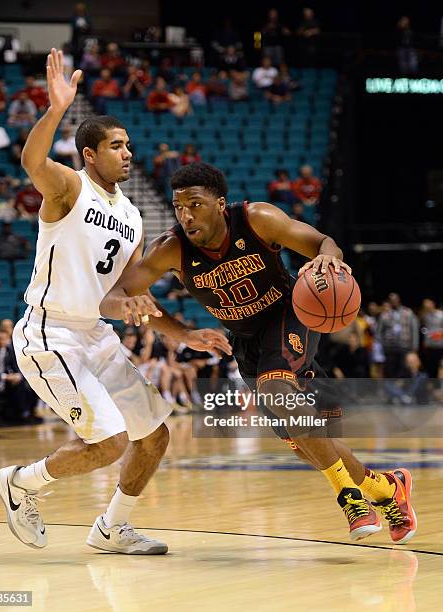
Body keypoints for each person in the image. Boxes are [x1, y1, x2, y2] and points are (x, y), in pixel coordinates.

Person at [105, 162, 417, 545]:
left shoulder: (258, 219)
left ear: (220, 204)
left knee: (277, 388)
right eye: (178, 207)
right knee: (305, 444)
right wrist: (177, 330)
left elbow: (323, 242)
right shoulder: (170, 249)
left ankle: (349, 497)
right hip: (245, 341)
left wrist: (326, 258)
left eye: (195, 204)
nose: (186, 215)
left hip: (289, 317)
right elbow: (114, 297)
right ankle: (388, 489)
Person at [0, 49, 230, 555]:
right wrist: (57, 108)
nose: (128, 153)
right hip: (50, 333)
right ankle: (21, 482)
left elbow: (128, 294)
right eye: (117, 146)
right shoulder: (69, 189)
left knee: (155, 436)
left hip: (96, 336)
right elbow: (31, 161)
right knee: (111, 442)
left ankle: (112, 529)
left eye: (128, 145)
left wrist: (183, 333)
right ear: (89, 154)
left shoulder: (134, 217)